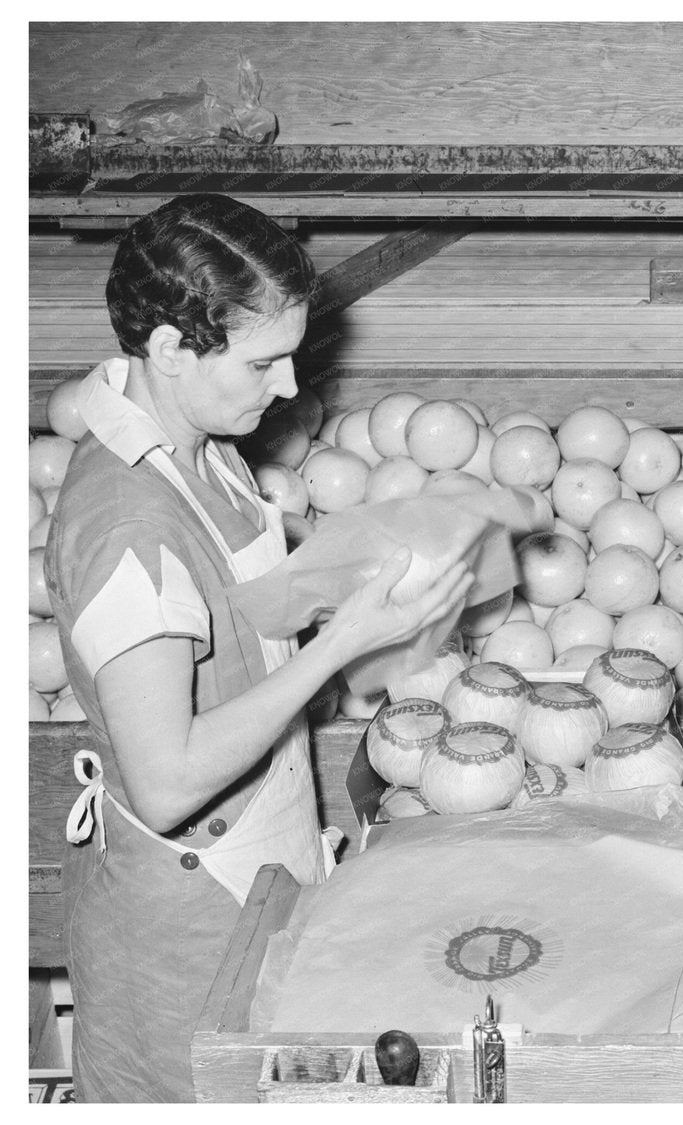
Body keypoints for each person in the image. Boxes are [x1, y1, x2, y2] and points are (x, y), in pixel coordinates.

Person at [42, 194, 475, 1102]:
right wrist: (344, 645)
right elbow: (166, 783)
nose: (287, 388)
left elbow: (233, 609)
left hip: (261, 861)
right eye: (263, 361)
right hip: (192, 924)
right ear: (168, 350)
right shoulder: (127, 526)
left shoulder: (186, 434)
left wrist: (344, 586)